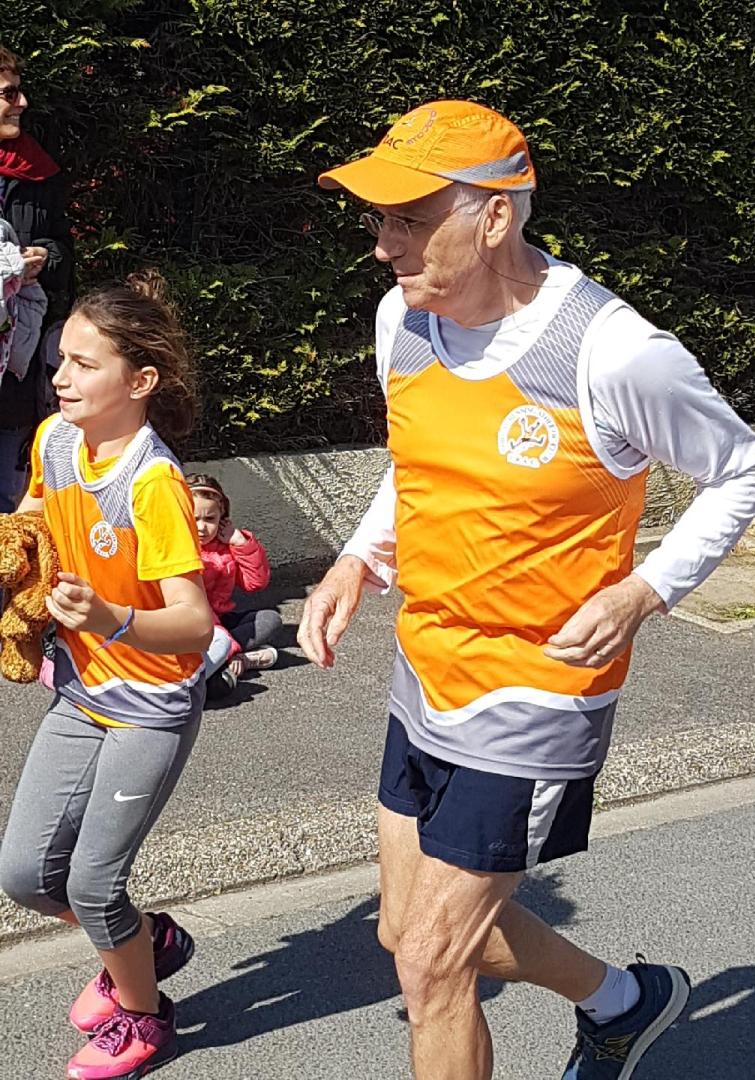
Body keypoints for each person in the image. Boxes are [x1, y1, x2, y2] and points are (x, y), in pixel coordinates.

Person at [298, 100, 755, 1080]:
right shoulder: (404, 318)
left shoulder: (612, 350)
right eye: (378, 220)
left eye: (408, 219)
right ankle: (624, 1001)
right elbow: (415, 464)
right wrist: (358, 557)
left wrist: (646, 590)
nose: (384, 245)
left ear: (494, 217)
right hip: (425, 666)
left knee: (432, 964)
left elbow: (743, 469)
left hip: (536, 689)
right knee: (406, 932)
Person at [0, 271, 213, 1080]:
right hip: (81, 692)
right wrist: (15, 548)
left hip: (151, 706)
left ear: (140, 381)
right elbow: (35, 516)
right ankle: (143, 943)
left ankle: (145, 1014)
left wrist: (109, 619)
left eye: (84, 365)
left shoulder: (151, 483)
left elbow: (195, 625)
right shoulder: (55, 439)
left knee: (93, 883)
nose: (60, 377)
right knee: (24, 876)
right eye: (61, 359)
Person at [0, 44, 74, 514]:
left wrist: (46, 256)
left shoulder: (37, 170)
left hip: (14, 372)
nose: (22, 103)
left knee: (10, 499)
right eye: (9, 93)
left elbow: (64, 245)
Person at [187, 472, 281, 697]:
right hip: (191, 622)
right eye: (194, 518)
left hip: (222, 622)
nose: (202, 527)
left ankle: (230, 656)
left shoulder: (226, 547)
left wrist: (240, 542)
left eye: (210, 519)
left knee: (269, 619)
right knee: (217, 687)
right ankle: (235, 661)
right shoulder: (176, 547)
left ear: (222, 518)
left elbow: (255, 583)